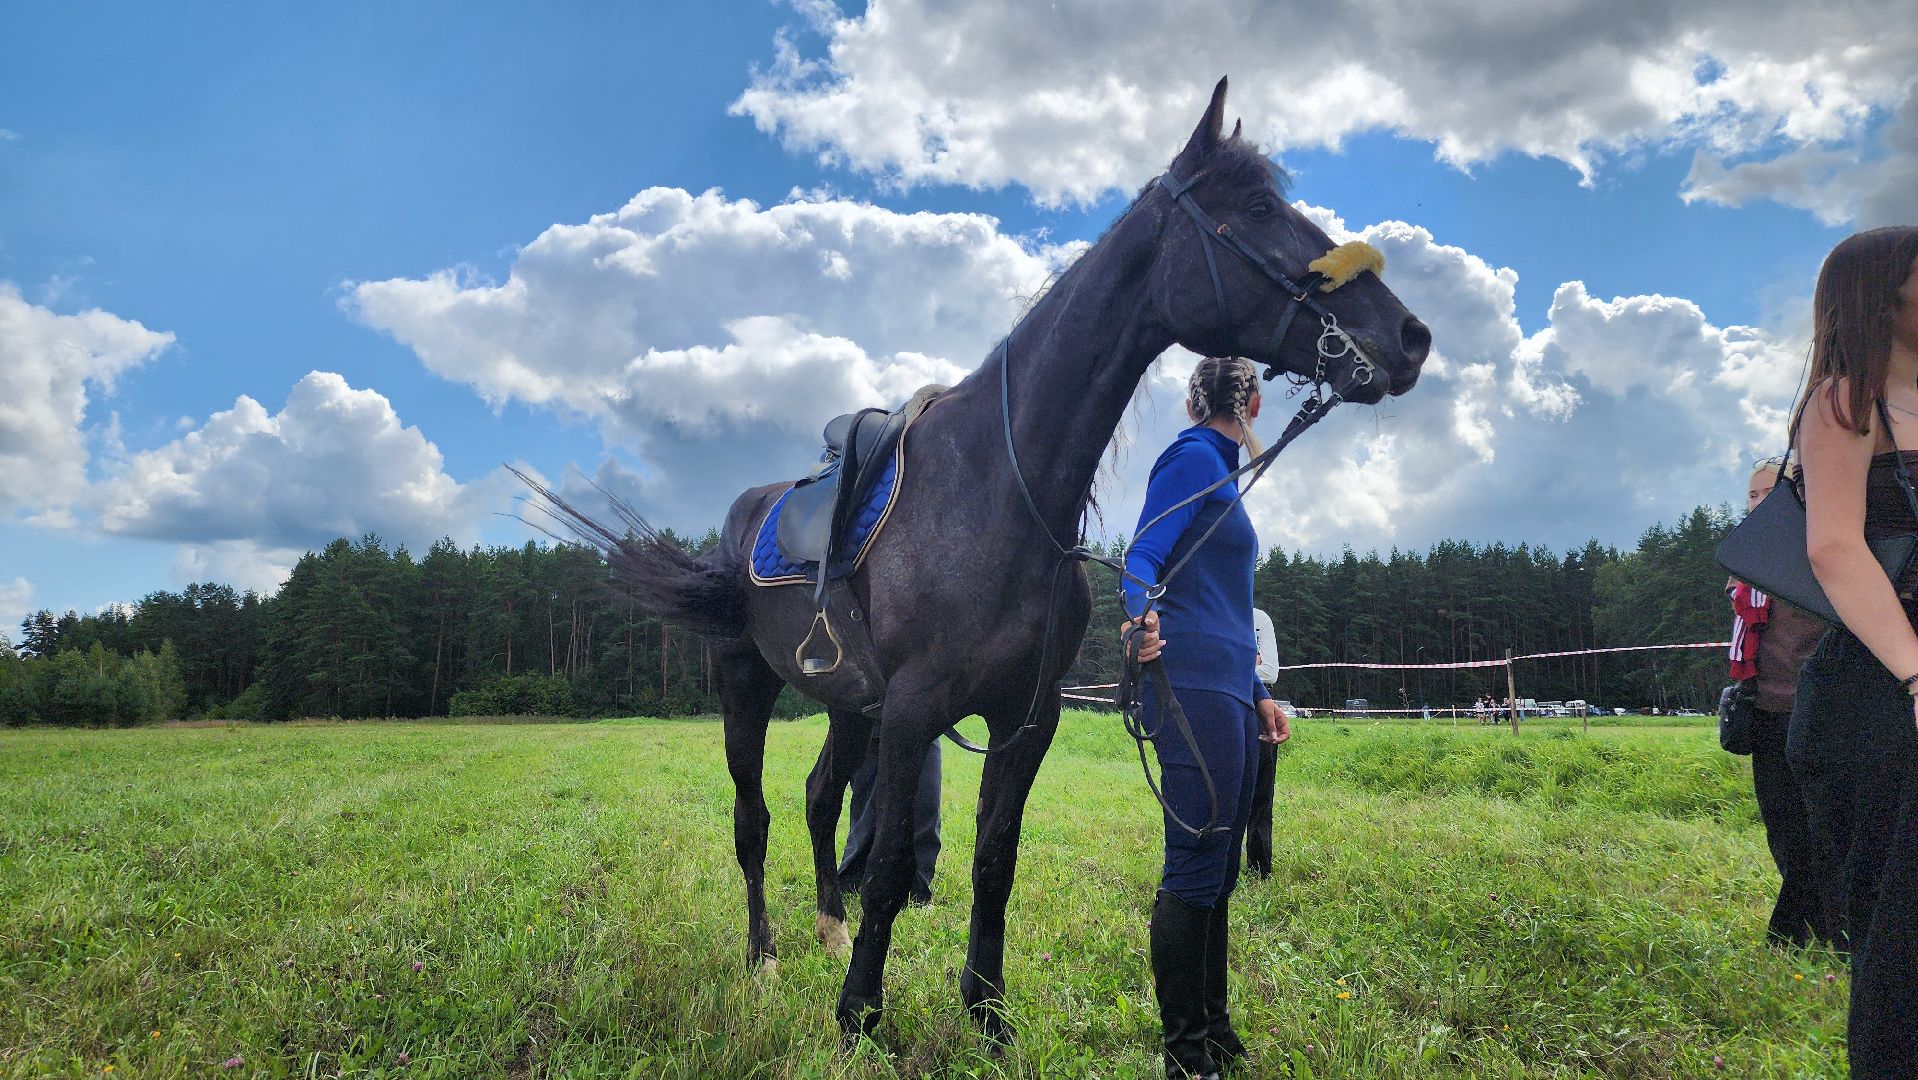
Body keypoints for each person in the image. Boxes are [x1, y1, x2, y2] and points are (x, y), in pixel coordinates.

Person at [1123, 356, 1290, 1079]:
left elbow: (1229, 606)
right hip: (1187, 683)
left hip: (1230, 687)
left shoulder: (1227, 471)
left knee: (1222, 869)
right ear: (1249, 403)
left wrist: (1258, 689)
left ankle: (1215, 1029)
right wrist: (1139, 621)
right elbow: (1141, 556)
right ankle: (1185, 1054)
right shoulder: (1193, 458)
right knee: (1195, 865)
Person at [1788, 225, 1918, 1079]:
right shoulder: (1845, 401)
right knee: (1903, 937)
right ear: (1887, 290)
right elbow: (1835, 548)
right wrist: (1915, 671)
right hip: (1880, 692)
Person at [1726, 460, 1831, 947]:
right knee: (1784, 828)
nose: (1759, 502)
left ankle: (1795, 936)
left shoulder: (1820, 550)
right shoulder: (1748, 560)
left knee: (1820, 828)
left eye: (1770, 491)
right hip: (1765, 708)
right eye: (1751, 495)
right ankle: (1822, 928)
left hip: (1817, 709)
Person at [837, 737, 941, 906]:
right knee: (866, 807)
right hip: (870, 719)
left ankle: (915, 890)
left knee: (924, 801)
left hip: (925, 721)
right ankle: (853, 879)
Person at [1245, 608, 1280, 880]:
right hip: (1218, 708)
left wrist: (1231, 664)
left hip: (1258, 708)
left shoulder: (1259, 619)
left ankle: (1259, 868)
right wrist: (1248, 660)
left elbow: (1269, 671)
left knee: (1260, 793)